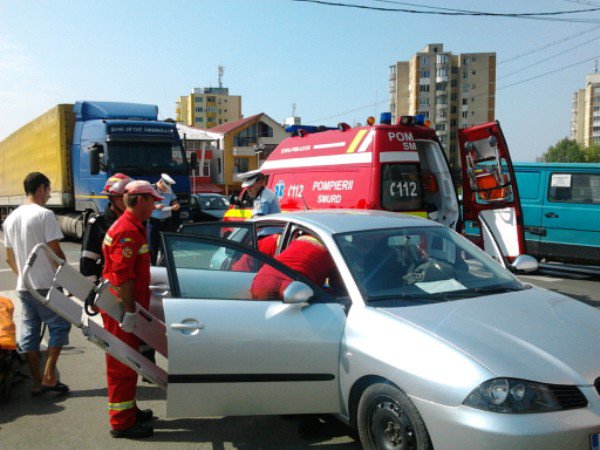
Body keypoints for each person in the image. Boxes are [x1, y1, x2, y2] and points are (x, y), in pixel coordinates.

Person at [101, 180, 162, 439]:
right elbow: (123, 276)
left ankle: (129, 411)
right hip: (120, 307)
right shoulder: (128, 231)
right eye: (152, 201)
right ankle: (122, 422)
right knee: (121, 366)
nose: (155, 206)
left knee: (129, 363)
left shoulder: (133, 226)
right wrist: (128, 311)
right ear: (140, 200)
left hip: (123, 305)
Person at [3, 172, 71, 396]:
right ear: (41, 188)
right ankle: (50, 377)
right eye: (49, 190)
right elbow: (55, 251)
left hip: (25, 286)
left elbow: (9, 258)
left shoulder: (10, 219)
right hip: (46, 284)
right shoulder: (45, 215)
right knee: (59, 326)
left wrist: (23, 275)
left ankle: (36, 382)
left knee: (30, 332)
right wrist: (67, 276)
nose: (49, 195)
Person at [251, 232, 339, 300]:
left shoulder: (298, 240)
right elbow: (339, 288)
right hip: (292, 286)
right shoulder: (335, 252)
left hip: (262, 278)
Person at [80, 173, 132, 283]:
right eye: (122, 196)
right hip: (108, 288)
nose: (127, 200)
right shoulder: (98, 224)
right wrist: (94, 293)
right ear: (112, 198)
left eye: (129, 196)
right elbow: (87, 263)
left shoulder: (134, 222)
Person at [147, 173, 180, 265]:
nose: (166, 190)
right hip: (154, 221)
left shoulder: (168, 189)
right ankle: (152, 266)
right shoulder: (150, 189)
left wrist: (175, 204)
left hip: (166, 221)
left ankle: (164, 265)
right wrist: (155, 206)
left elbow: (174, 199)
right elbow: (144, 204)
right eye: (164, 187)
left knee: (165, 246)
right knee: (153, 246)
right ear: (161, 182)